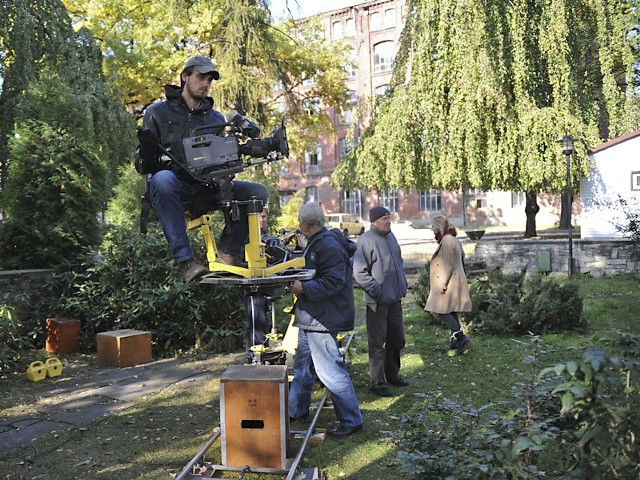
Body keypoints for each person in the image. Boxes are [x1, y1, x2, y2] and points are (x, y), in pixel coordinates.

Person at [134, 55, 269, 282]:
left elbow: (224, 162)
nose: (205, 83)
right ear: (185, 77)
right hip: (175, 189)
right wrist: (147, 152)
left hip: (207, 189)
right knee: (162, 179)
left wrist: (224, 177)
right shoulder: (157, 113)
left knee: (258, 192)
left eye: (209, 79)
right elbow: (141, 166)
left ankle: (227, 251)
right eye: (200, 77)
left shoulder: (215, 119)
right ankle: (186, 262)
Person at [289, 203, 363, 437]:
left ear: (306, 224)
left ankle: (351, 420)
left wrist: (303, 287)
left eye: (300, 223)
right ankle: (296, 410)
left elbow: (333, 282)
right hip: (310, 316)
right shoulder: (319, 241)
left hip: (322, 317)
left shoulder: (328, 245)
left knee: (330, 370)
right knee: (302, 367)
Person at [353, 206, 409, 397]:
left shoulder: (391, 237)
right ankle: (377, 383)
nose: (388, 222)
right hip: (377, 302)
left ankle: (392, 374)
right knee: (377, 344)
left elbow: (399, 263)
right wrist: (377, 290)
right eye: (385, 219)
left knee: (397, 339)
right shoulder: (366, 240)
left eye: (389, 218)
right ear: (374, 221)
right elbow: (359, 273)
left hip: (395, 300)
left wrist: (403, 285)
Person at [425, 215, 472, 355]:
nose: (433, 230)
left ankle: (460, 337)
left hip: (448, 280)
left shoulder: (446, 240)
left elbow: (447, 264)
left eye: (433, 227)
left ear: (439, 227)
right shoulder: (453, 239)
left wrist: (442, 283)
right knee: (449, 310)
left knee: (441, 310)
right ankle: (456, 341)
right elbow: (461, 258)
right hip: (455, 279)